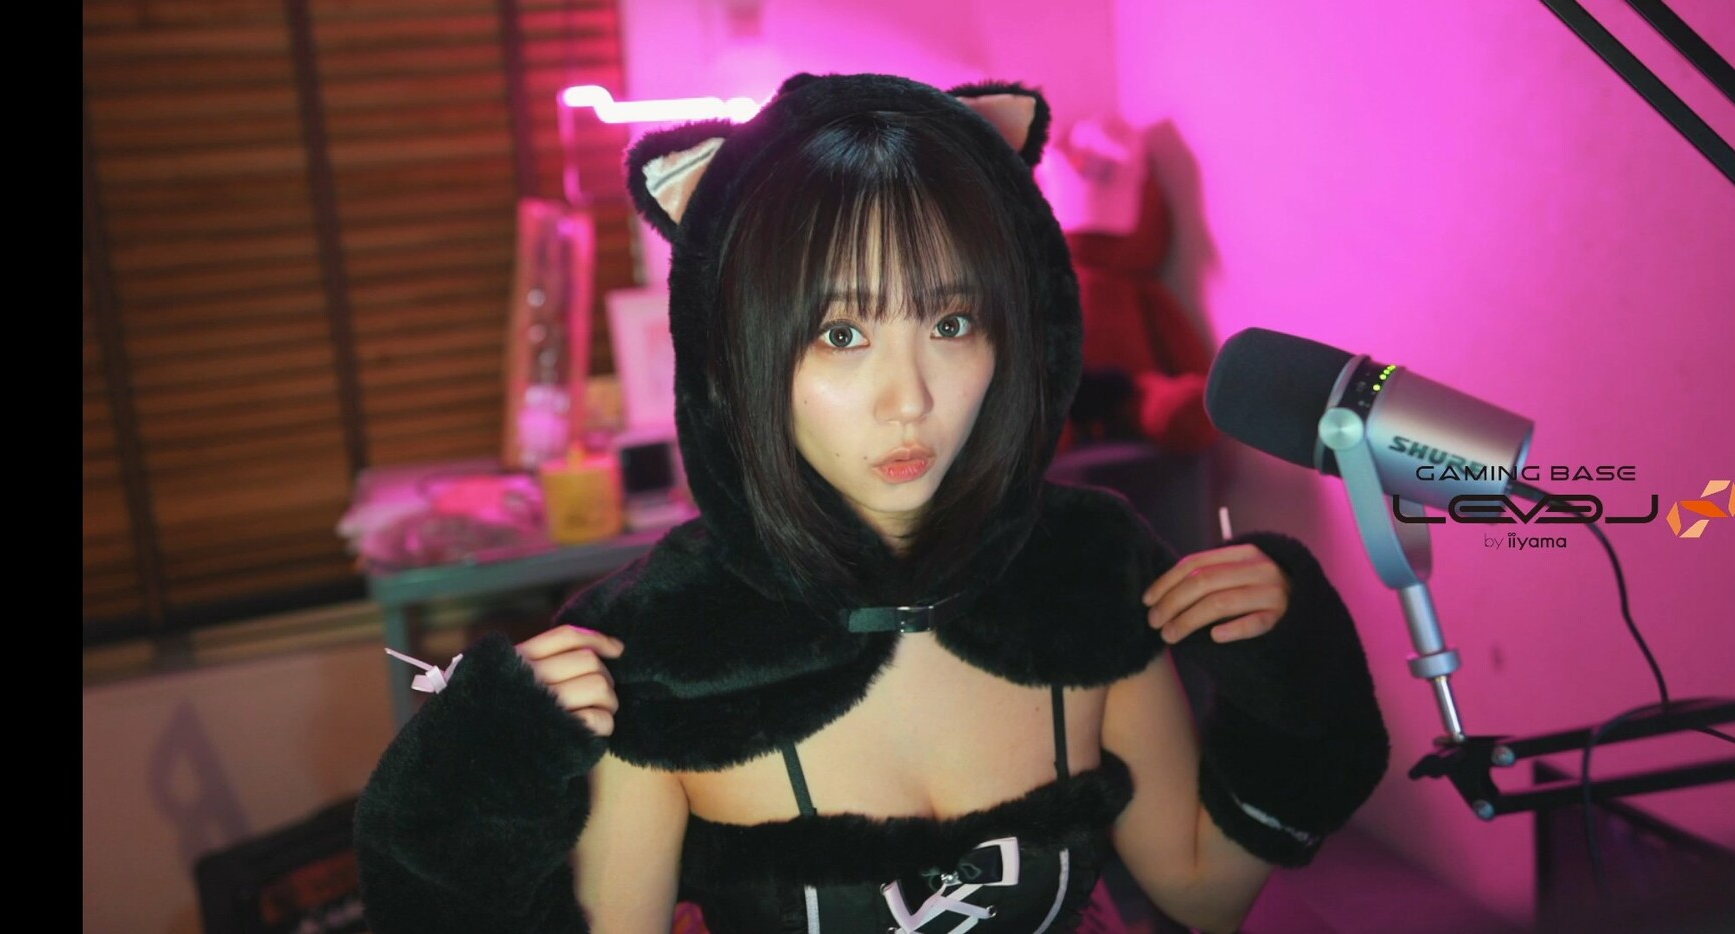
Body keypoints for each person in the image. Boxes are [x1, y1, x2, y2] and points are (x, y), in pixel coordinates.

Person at [354, 72, 1390, 934]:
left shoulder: (1087, 575)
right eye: (842, 335)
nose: (911, 400)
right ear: (737, 355)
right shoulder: (663, 650)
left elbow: (1203, 891)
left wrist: (1294, 677)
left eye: (951, 323)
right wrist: (474, 790)